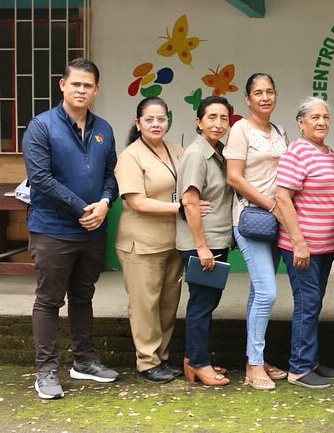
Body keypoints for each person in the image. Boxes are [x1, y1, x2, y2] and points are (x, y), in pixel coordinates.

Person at [23, 57, 119, 400]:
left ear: (96, 90)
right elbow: (40, 179)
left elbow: (111, 175)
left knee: (83, 296)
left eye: (88, 85)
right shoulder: (41, 126)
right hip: (53, 229)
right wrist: (83, 208)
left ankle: (84, 361)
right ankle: (46, 371)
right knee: (49, 300)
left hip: (92, 230)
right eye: (75, 83)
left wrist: (105, 203)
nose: (81, 89)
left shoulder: (104, 129)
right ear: (62, 85)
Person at [115, 97, 190, 383]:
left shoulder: (177, 150)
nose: (156, 124)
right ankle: (146, 361)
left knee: (168, 303)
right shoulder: (131, 156)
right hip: (141, 243)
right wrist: (181, 208)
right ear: (138, 123)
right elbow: (136, 202)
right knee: (144, 304)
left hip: (173, 241)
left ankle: (162, 357)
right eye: (149, 119)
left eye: (161, 118)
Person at [225, 73, 289, 390]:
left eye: (270, 91)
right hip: (250, 219)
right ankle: (253, 365)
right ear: (248, 99)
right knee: (267, 292)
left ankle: (257, 357)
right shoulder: (240, 130)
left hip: (275, 221)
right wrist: (270, 204)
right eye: (258, 93)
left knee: (257, 293)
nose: (265, 97)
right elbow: (234, 178)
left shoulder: (280, 131)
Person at [274, 97, 334, 389]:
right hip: (302, 248)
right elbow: (282, 197)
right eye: (314, 117)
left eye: (325, 117)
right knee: (307, 303)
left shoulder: (329, 152)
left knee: (313, 303)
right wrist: (299, 241)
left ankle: (310, 360)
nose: (321, 122)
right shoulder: (297, 152)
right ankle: (299, 368)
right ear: (300, 123)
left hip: (325, 247)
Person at [177, 95, 234, 387]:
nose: (218, 123)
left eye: (223, 118)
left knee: (207, 302)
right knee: (201, 303)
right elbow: (189, 202)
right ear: (199, 122)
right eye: (211, 117)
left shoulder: (220, 152)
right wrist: (201, 246)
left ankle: (193, 358)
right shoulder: (197, 154)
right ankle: (199, 363)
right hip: (202, 243)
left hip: (216, 239)